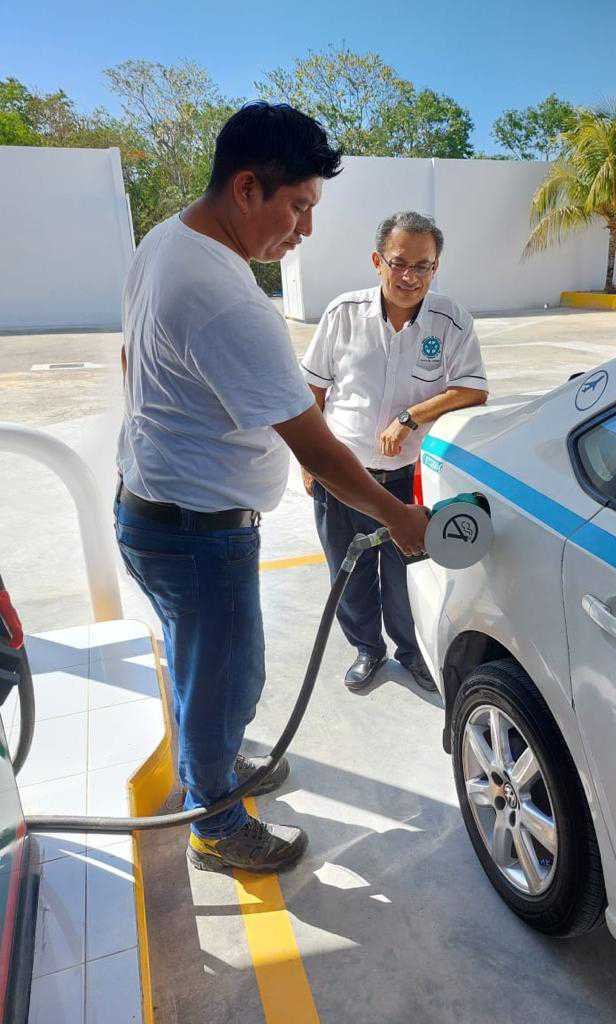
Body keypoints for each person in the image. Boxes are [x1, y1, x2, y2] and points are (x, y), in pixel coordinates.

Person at [115, 104, 428, 876]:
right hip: (197, 532)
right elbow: (319, 453)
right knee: (227, 677)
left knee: (203, 667)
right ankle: (216, 821)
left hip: (153, 507)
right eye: (299, 207)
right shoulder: (225, 298)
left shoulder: (166, 239)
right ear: (248, 188)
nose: (305, 231)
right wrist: (399, 516)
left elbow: (131, 360)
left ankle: (211, 765)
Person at [301, 211, 488, 693]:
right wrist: (308, 462)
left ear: (436, 267)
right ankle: (367, 650)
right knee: (349, 572)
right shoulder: (343, 314)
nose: (410, 277)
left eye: (423, 266)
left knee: (411, 573)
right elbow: (313, 392)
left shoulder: (451, 321)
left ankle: (413, 652)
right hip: (344, 474)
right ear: (377, 261)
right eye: (399, 263)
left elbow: (471, 389)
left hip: (410, 475)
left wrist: (410, 417)